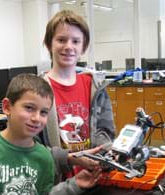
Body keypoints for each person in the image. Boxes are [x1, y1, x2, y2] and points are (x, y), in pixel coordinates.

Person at [41, 10, 115, 175]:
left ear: (83, 47)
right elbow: (30, 146)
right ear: (49, 44)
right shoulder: (37, 89)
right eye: (61, 40)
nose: (69, 47)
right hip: (56, 183)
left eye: (75, 41)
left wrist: (107, 154)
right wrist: (67, 159)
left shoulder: (95, 87)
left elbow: (105, 132)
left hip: (95, 177)